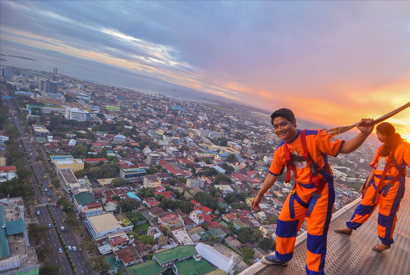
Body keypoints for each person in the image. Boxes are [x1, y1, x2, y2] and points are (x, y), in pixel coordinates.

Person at [251, 108, 374, 275]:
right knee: (284, 222)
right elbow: (273, 174)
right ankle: (282, 256)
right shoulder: (282, 149)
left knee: (316, 235)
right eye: (276, 126)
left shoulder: (314, 137)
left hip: (321, 192)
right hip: (300, 190)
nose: (279, 129)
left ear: (294, 122)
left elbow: (344, 148)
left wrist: (364, 134)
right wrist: (259, 194)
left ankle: (314, 272)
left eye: (283, 124)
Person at [334, 122, 410, 252]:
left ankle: (385, 242)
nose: (377, 136)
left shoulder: (403, 148)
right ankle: (350, 227)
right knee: (363, 206)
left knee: (386, 214)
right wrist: (367, 184)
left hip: (393, 185)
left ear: (386, 134)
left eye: (379, 134)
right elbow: (375, 168)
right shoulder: (382, 148)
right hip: (376, 183)